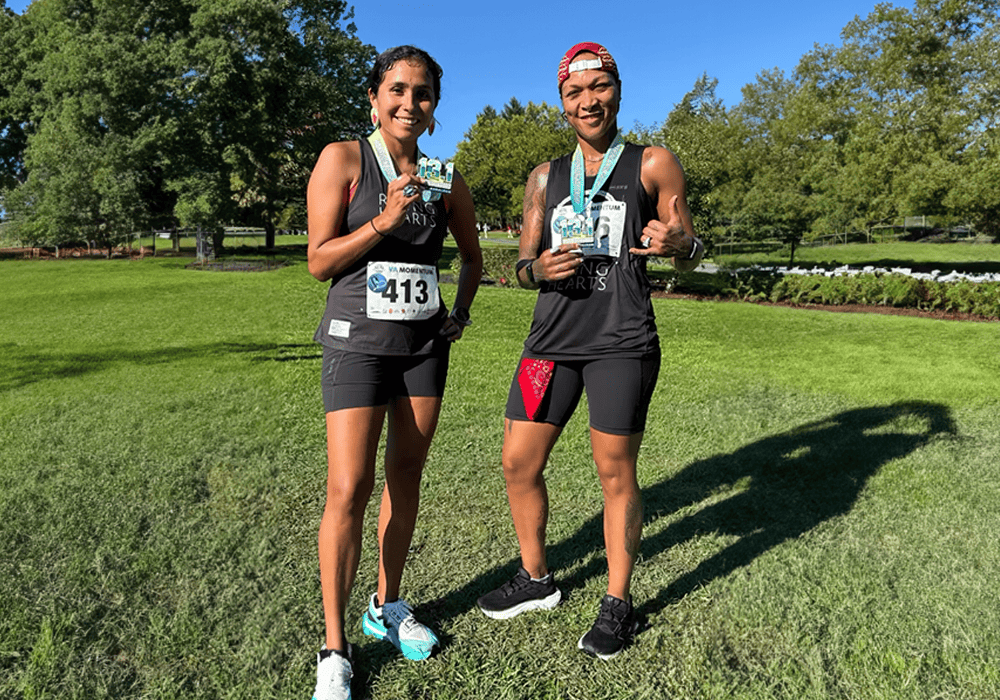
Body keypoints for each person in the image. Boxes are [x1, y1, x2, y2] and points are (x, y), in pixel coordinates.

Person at [476, 41, 704, 660]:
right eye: (575, 93)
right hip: (549, 342)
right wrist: (538, 269)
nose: (588, 101)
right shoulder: (545, 179)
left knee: (614, 473)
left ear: (618, 90)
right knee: (518, 462)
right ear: (563, 104)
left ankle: (617, 602)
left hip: (620, 342)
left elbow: (691, 243)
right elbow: (520, 266)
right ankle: (536, 579)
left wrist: (674, 242)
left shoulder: (652, 163)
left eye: (598, 87)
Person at [307, 45, 483, 700]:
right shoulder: (344, 160)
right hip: (357, 345)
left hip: (422, 351)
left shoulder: (445, 178)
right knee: (348, 488)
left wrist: (457, 316)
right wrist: (381, 221)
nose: (411, 103)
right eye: (398, 91)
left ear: (435, 108)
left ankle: (387, 606)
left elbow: (471, 258)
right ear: (376, 100)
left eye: (424, 94)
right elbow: (319, 262)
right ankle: (334, 646)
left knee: (404, 478)